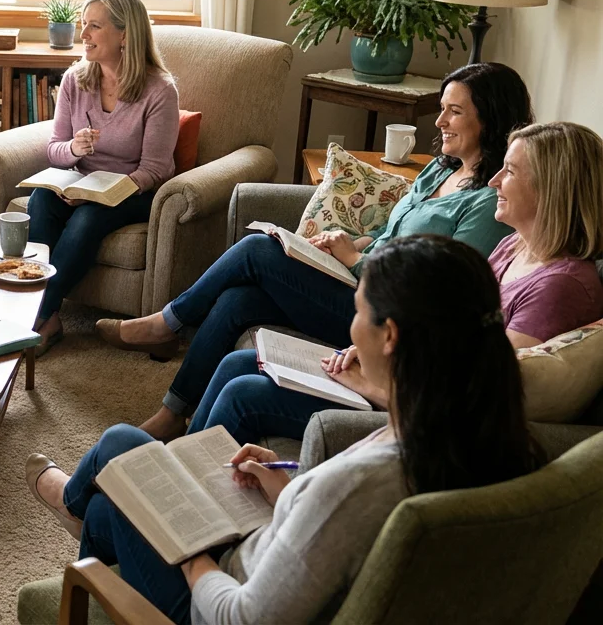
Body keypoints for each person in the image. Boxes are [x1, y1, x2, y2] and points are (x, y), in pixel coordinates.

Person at [26, 235, 543, 624]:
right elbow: (345, 526)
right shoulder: (476, 435)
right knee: (110, 502)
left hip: (217, 600)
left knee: (120, 449)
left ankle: (80, 524)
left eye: (358, 312)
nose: (350, 331)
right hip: (269, 558)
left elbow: (241, 619)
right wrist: (291, 486)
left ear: (391, 337)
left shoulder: (361, 484)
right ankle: (89, 515)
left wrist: (191, 554)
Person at [99, 62, 531, 440]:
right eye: (442, 108)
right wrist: (345, 245)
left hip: (387, 317)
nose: (439, 121)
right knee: (239, 299)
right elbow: (389, 229)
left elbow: (437, 291)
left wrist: (355, 260)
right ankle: (173, 413)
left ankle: (166, 322)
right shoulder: (441, 168)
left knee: (255, 250)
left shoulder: (486, 204)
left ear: (490, 121)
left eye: (454, 111)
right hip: (360, 278)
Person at [187, 120, 603, 446]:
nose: (494, 181)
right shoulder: (516, 246)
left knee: (245, 392)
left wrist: (374, 381)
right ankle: (181, 472)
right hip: (406, 375)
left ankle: (188, 508)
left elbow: (481, 399)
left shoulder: (560, 288)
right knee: (240, 362)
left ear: (552, 189)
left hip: (412, 410)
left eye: (509, 172)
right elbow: (452, 334)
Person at [27, 0, 179, 354]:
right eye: (84, 25)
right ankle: (49, 319)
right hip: (80, 183)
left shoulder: (160, 90)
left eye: (94, 26)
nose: (84, 35)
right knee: (40, 200)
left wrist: (105, 193)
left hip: (135, 192)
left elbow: (156, 168)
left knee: (89, 218)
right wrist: (73, 151)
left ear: (125, 35)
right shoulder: (74, 80)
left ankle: (36, 317)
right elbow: (54, 148)